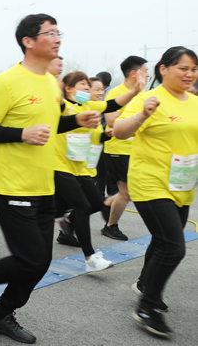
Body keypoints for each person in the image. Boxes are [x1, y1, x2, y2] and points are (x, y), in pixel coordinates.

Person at [0, 14, 100, 343]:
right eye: (49, 33)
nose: (57, 38)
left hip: (43, 185)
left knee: (39, 262)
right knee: (30, 257)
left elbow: (50, 126)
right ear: (28, 41)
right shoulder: (7, 81)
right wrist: (21, 133)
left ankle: (1, 314)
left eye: (58, 32)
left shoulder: (51, 82)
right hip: (12, 185)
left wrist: (76, 119)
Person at [113, 46, 198, 338]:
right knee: (174, 246)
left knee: (163, 241)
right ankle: (147, 306)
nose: (190, 74)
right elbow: (120, 131)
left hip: (182, 185)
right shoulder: (148, 98)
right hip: (150, 182)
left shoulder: (195, 102)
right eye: (183, 68)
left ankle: (146, 283)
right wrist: (142, 116)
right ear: (164, 69)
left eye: (194, 69)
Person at [52, 71, 143, 271]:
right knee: (83, 208)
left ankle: (62, 219)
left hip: (81, 169)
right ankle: (90, 258)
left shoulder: (88, 106)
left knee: (95, 204)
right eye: (82, 84)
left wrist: (135, 90)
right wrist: (54, 80)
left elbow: (113, 104)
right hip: (60, 166)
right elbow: (55, 100)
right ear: (68, 88)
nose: (87, 88)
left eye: (88, 85)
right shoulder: (62, 106)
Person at [102, 55, 149, 241]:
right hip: (118, 149)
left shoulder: (144, 94)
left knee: (129, 192)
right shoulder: (116, 93)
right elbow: (112, 121)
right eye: (145, 71)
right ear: (134, 73)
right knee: (126, 193)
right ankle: (111, 226)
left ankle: (103, 205)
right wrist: (137, 118)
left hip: (135, 150)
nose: (147, 75)